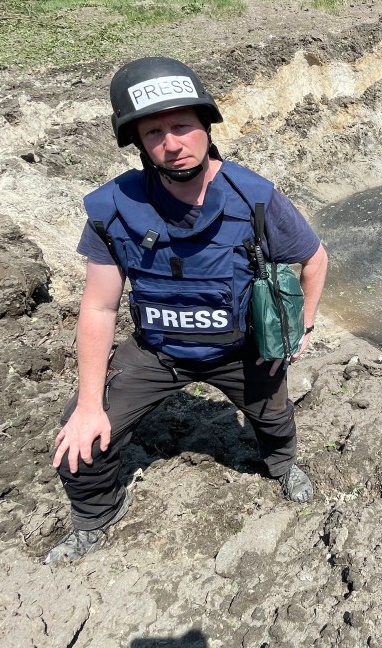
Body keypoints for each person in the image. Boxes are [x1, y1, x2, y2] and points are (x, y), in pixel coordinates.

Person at [45, 57, 328, 564]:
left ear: (205, 125)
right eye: (154, 132)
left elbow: (313, 259)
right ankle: (95, 517)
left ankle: (283, 467)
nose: (171, 143)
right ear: (137, 142)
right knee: (79, 444)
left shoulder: (255, 197)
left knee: (276, 420)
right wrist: (90, 405)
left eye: (181, 126)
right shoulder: (114, 209)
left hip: (240, 349)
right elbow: (99, 307)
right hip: (157, 351)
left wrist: (301, 325)